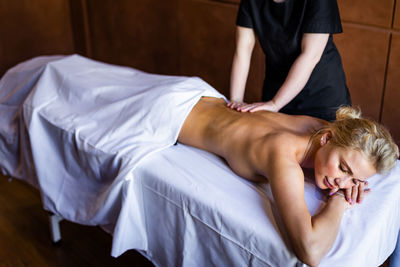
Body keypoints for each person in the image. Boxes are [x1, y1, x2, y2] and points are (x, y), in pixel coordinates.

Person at [178, 97, 399, 266]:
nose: (342, 182)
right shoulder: (282, 153)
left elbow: (375, 149)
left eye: (355, 180)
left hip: (204, 99)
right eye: (343, 168)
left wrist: (352, 173)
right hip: (174, 113)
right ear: (327, 139)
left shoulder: (326, 129)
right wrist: (339, 200)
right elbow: (310, 251)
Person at [228, 0, 351, 121]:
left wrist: (276, 103)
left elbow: (310, 56)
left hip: (321, 97)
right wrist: (236, 100)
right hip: (276, 90)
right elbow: (243, 51)